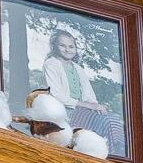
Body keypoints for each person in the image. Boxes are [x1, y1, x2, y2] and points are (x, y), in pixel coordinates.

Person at [33, 23, 120, 152]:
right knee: (104, 121)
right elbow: (56, 94)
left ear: (75, 48)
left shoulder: (78, 68)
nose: (67, 49)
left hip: (82, 108)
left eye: (71, 46)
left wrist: (95, 106)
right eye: (62, 45)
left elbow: (89, 94)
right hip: (64, 110)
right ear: (55, 46)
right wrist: (87, 106)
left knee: (113, 119)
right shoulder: (51, 64)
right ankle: (103, 150)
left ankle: (111, 150)